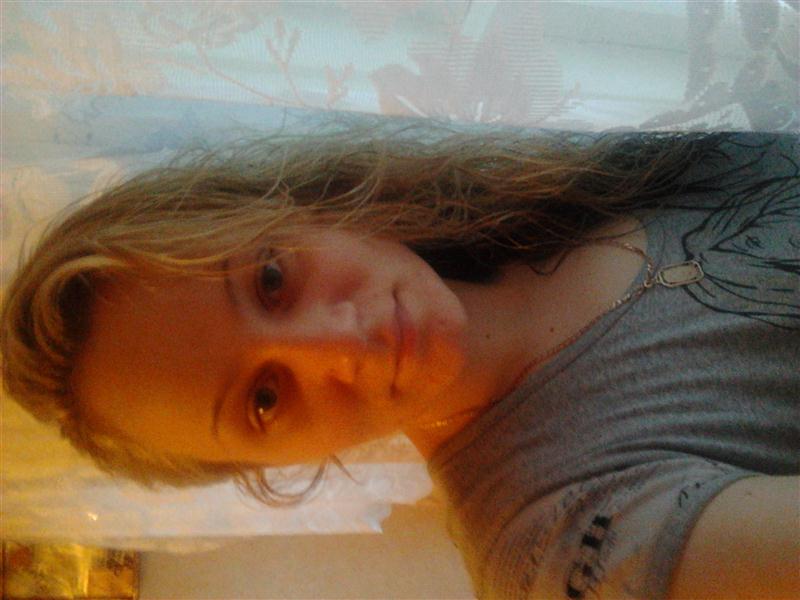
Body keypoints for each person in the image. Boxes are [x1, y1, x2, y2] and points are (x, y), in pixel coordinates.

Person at [2, 118, 798, 599]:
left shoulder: (561, 171)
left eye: (272, 279)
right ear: (274, 466)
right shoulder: (564, 548)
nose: (337, 344)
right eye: (265, 400)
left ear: (292, 209)